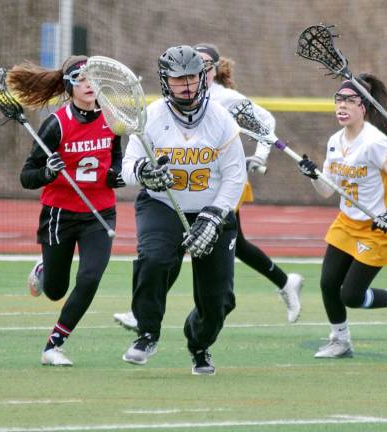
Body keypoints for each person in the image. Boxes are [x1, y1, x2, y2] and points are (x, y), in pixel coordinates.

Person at [113, 43, 302, 332]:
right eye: (181, 74)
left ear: (211, 71)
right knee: (172, 248)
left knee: (221, 242)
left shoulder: (225, 99)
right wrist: (147, 172)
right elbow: (132, 162)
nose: (187, 79)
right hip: (174, 187)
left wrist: (259, 156)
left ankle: (283, 283)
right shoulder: (163, 108)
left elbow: (264, 122)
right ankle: (148, 309)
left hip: (219, 183)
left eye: (199, 68)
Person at [120, 45, 247, 375]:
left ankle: (199, 343)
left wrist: (214, 215)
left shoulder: (220, 119)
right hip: (162, 204)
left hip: (211, 208)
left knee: (218, 300)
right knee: (154, 258)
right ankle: (147, 332)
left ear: (202, 77)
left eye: (191, 77)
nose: (186, 85)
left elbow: (235, 175)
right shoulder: (151, 115)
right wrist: (146, 173)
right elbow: (128, 166)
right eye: (178, 79)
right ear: (166, 81)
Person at [10, 55, 125, 366]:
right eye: (82, 79)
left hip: (99, 214)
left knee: (89, 278)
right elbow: (26, 177)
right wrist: (48, 171)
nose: (89, 85)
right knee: (55, 290)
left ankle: (54, 345)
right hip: (59, 213)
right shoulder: (56, 124)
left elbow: (116, 159)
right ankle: (44, 270)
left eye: (94, 79)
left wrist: (117, 175)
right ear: (70, 85)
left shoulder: (113, 119)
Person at [297, 74, 387, 358]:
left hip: (376, 228)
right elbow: (327, 191)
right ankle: (340, 341)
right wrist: (313, 176)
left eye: (349, 101)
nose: (342, 106)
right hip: (346, 223)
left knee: (350, 295)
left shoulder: (376, 143)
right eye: (338, 99)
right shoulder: (335, 141)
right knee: (327, 283)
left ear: (363, 107)